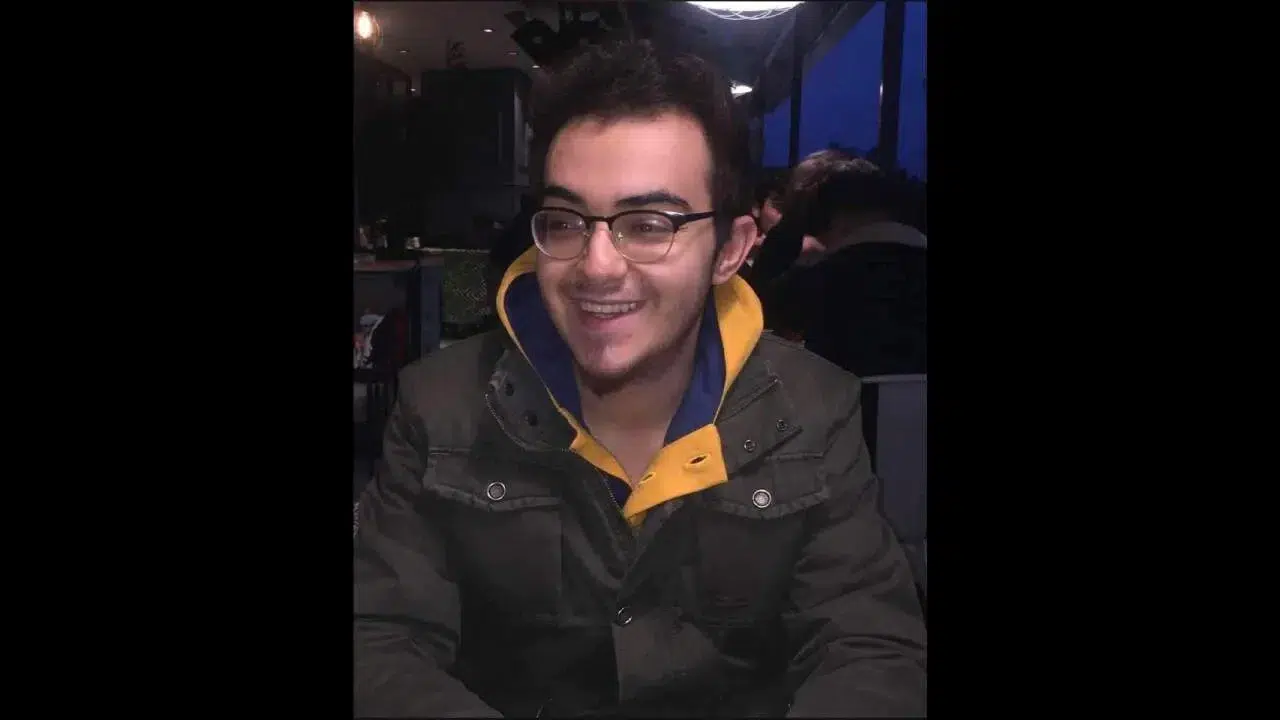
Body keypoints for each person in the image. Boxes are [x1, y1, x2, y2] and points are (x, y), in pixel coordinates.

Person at [354, 39, 926, 718]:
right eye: (566, 221)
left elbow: (868, 647)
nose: (596, 266)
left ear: (731, 250)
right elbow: (379, 640)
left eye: (649, 224)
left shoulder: (813, 409)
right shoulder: (439, 404)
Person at [749, 151, 927, 378]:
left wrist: (794, 214)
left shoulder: (823, 280)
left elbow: (757, 311)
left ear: (832, 216)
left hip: (839, 397)